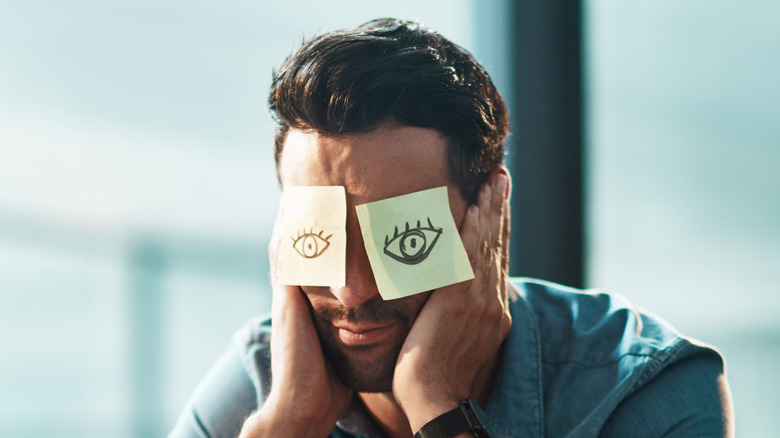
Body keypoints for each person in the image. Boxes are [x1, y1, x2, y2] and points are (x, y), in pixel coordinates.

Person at [169, 18, 733, 438]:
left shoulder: (643, 393)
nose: (352, 290)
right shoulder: (261, 383)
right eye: (320, 238)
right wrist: (288, 425)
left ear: (489, 217)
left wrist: (437, 405)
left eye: (404, 238)